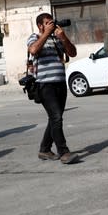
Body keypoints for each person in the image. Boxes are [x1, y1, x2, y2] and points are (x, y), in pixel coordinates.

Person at [27, 13, 79, 164]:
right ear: (40, 26)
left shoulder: (57, 39)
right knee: (56, 117)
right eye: (48, 23)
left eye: (52, 23)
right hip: (44, 85)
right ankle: (64, 152)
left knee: (54, 118)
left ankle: (44, 149)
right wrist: (46, 34)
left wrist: (63, 37)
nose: (51, 25)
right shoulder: (35, 37)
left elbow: (72, 52)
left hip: (60, 83)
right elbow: (33, 50)